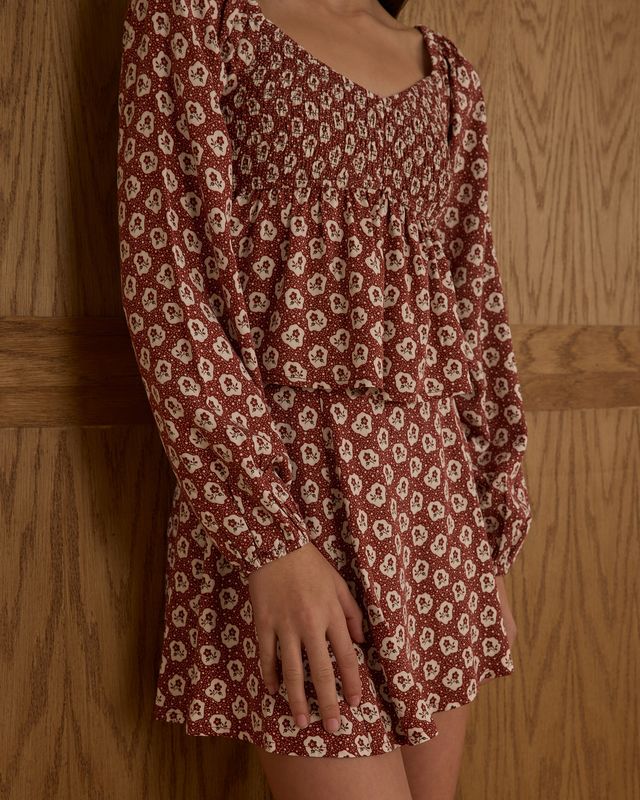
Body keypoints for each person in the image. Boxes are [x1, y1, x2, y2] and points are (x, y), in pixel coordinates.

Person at [116, 0, 533, 797]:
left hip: (436, 513)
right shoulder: (196, 20)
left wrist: (487, 537)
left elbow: (474, 306)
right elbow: (171, 279)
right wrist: (268, 540)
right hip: (289, 504)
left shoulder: (447, 76)